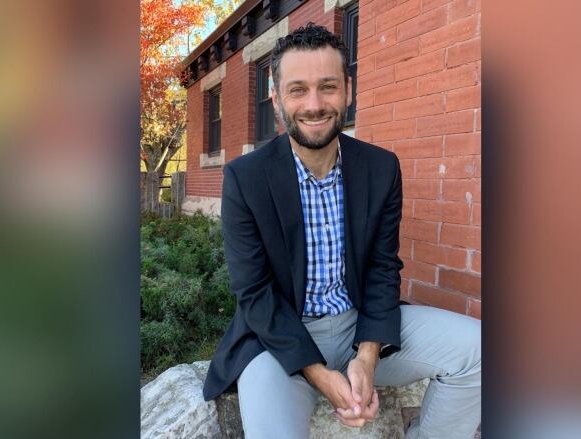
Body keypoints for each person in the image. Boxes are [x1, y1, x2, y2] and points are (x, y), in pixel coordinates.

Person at [202, 23, 481, 439]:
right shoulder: (245, 178)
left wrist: (367, 357)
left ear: (348, 91)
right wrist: (323, 378)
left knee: (480, 350)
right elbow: (254, 294)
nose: (314, 105)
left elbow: (383, 268)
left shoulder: (380, 167)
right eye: (297, 90)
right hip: (278, 340)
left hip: (359, 325)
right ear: (276, 99)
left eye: (327, 87)